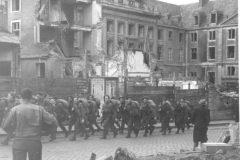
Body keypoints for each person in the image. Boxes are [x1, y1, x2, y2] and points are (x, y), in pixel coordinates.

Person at [1, 88, 57, 160]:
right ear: (31, 97)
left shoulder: (14, 110)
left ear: (21, 97)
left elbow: (4, 125)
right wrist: (45, 132)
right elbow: (53, 121)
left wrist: (12, 132)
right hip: (35, 140)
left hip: (19, 140)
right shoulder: (39, 109)